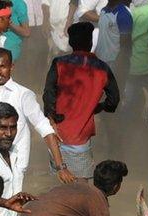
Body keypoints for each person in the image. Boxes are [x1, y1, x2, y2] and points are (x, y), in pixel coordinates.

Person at [0, 48, 74, 183]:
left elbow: (43, 127)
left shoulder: (23, 95)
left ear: (11, 67)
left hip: (14, 163)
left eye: (2, 66)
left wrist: (61, 167)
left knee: (11, 202)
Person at [42, 22, 119, 179]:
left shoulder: (59, 63)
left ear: (70, 42)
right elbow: (113, 102)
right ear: (91, 42)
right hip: (81, 139)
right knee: (81, 187)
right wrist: (96, 107)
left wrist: (51, 120)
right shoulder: (102, 68)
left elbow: (48, 94)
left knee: (58, 187)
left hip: (56, 135)